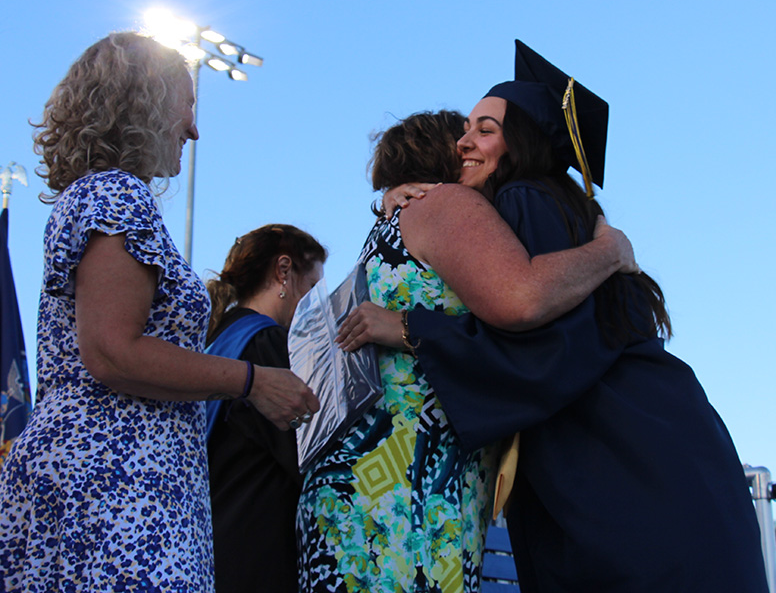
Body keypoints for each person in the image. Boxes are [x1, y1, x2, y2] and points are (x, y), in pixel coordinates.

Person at [342, 41, 769, 592]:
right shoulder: (555, 212)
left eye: (485, 129)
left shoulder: (526, 200)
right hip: (653, 451)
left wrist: (407, 327)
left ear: (521, 142)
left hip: (624, 460)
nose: (463, 142)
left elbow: (542, 342)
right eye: (464, 129)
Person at [0, 32, 319, 592]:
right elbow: (112, 350)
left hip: (118, 490)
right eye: (187, 102)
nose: (194, 128)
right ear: (142, 102)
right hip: (113, 490)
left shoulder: (98, 196)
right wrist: (252, 381)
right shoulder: (117, 196)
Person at [298, 109, 637, 593]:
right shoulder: (448, 205)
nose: (469, 146)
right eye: (463, 136)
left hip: (357, 490)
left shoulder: (391, 222)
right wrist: (611, 251)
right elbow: (521, 298)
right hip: (404, 495)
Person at [206, 224, 327, 593]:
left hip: (213, 540)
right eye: (311, 289)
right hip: (254, 549)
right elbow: (305, 453)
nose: (314, 305)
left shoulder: (217, 342)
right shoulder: (268, 345)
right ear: (284, 270)